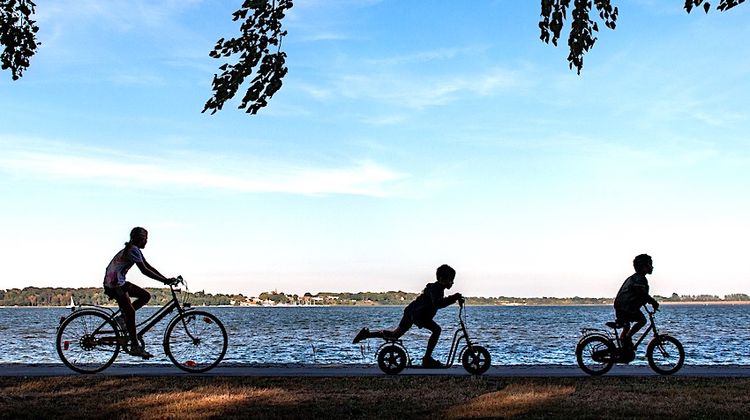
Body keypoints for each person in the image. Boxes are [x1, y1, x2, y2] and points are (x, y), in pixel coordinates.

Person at [352, 264, 464, 368]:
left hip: (411, 311)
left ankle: (367, 334)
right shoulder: (436, 288)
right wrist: (453, 298)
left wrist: (453, 298)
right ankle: (427, 359)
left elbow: (437, 302)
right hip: (417, 314)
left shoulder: (437, 288)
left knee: (394, 335)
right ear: (441, 279)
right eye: (450, 280)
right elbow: (437, 303)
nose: (451, 282)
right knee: (437, 330)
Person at [103, 227, 176, 358]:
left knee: (145, 296)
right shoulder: (132, 249)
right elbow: (144, 271)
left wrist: (165, 279)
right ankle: (135, 346)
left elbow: (148, 266)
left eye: (147, 238)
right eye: (144, 238)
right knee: (130, 312)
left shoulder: (134, 249)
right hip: (114, 284)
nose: (146, 241)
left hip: (118, 281)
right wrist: (164, 281)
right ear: (136, 238)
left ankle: (121, 319)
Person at [613, 253, 659, 360]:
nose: (651, 267)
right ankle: (626, 339)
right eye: (649, 264)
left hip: (623, 307)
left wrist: (648, 302)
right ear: (643, 266)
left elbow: (640, 295)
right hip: (626, 307)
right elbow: (641, 294)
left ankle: (624, 346)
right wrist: (653, 302)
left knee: (627, 326)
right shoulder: (639, 279)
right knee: (642, 320)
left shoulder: (636, 277)